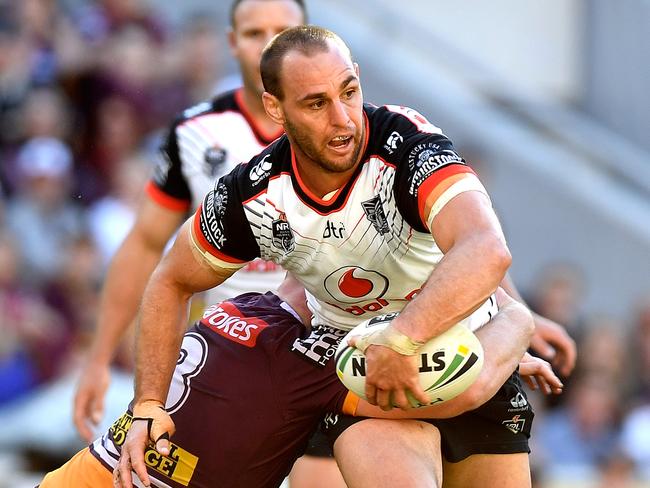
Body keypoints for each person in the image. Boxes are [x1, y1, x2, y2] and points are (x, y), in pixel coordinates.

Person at [113, 25, 564, 487]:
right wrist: (148, 403)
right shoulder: (254, 193)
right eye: (316, 103)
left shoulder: (406, 142)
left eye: (349, 91)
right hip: (364, 381)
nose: (343, 119)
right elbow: (171, 279)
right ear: (276, 108)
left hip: (460, 351)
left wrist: (406, 338)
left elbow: (485, 248)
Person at [41, 275, 558, 487]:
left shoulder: (238, 307)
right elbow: (457, 395)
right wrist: (516, 326)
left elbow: (306, 281)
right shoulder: (308, 367)